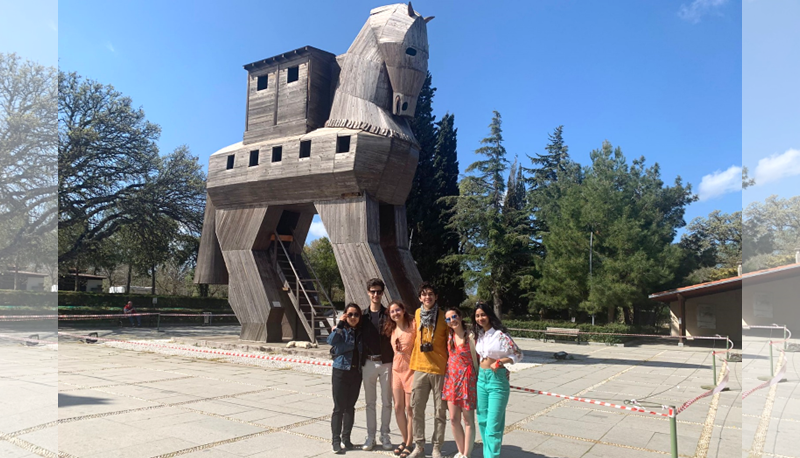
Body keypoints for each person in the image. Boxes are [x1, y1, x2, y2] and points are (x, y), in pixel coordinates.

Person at [472, 302, 523, 458]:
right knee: (482, 420)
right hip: (482, 379)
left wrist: (501, 362)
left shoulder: (500, 335)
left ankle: (491, 456)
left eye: (483, 315)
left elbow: (518, 354)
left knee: (493, 424)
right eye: (477, 316)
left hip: (497, 381)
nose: (480, 318)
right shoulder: (479, 335)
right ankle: (488, 454)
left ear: (489, 315)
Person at [407, 282, 448, 458]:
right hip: (420, 367)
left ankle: (437, 446)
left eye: (430, 294)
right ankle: (419, 446)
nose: (427, 297)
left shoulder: (444, 317)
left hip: (439, 368)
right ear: (419, 298)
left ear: (436, 296)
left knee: (440, 410)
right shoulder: (417, 313)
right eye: (424, 294)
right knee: (416, 408)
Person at [359, 278, 394, 451]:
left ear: (382, 293)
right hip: (368, 363)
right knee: (370, 403)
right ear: (368, 292)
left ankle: (385, 435)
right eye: (372, 291)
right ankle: (370, 437)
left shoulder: (389, 315)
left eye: (379, 291)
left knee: (387, 402)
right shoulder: (362, 316)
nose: (375, 294)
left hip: (387, 362)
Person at [328, 303, 363, 454]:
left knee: (350, 407)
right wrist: (340, 324)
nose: (353, 317)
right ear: (345, 315)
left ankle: (346, 438)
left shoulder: (361, 332)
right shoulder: (341, 330)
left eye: (356, 315)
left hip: (356, 372)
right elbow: (331, 341)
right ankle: (335, 440)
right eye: (350, 314)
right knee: (339, 407)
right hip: (341, 371)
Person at [442, 308, 477, 458]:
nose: (452, 321)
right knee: (454, 419)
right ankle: (460, 451)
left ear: (460, 317)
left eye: (454, 317)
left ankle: (467, 454)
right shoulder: (448, 337)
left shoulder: (471, 337)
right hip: (451, 381)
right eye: (448, 319)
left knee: (468, 419)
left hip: (467, 381)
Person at [383, 301, 416, 457]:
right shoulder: (392, 329)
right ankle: (404, 439)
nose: (395, 313)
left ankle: (410, 442)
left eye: (397, 310)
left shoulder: (413, 326)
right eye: (392, 312)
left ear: (403, 310)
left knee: (410, 408)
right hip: (396, 370)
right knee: (398, 406)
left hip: (411, 370)